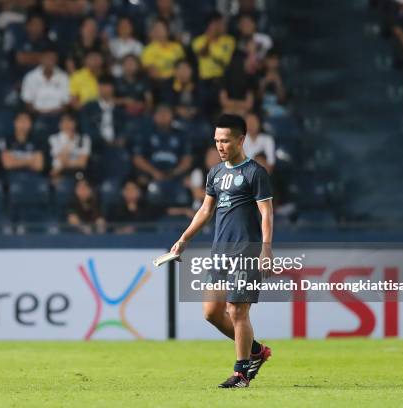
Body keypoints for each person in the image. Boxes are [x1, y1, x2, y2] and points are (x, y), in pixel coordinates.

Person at [170, 114, 273, 388]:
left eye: (225, 140)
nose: (220, 146)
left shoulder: (255, 173)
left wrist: (266, 249)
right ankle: (256, 352)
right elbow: (205, 210)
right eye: (217, 140)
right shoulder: (215, 173)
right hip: (220, 252)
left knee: (238, 311)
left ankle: (241, 373)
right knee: (211, 312)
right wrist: (184, 239)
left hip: (247, 250)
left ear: (241, 139)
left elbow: (266, 213)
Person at [132, 105, 192, 183]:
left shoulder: (181, 134)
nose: (163, 116)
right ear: (154, 116)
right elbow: (137, 158)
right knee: (141, 180)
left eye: (166, 113)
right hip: (150, 175)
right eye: (160, 113)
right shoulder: (146, 134)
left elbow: (187, 160)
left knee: (187, 181)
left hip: (175, 174)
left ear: (172, 116)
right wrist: (153, 172)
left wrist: (174, 173)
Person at [20, 47, 70, 115]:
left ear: (56, 60)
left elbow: (66, 102)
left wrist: (55, 113)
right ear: (41, 59)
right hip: (36, 115)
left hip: (58, 115)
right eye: (48, 58)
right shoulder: (30, 77)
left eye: (53, 59)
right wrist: (38, 114)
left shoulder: (64, 77)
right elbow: (27, 102)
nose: (50, 61)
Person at [80, 75, 125, 147]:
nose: (102, 89)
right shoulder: (89, 108)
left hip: (117, 146)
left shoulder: (120, 108)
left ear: (112, 88)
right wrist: (103, 141)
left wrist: (120, 139)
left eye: (106, 86)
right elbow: (86, 129)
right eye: (100, 86)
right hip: (96, 146)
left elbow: (125, 127)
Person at [192, 12, 236, 83]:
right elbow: (202, 53)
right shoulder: (198, 41)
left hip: (222, 79)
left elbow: (225, 63)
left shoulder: (229, 41)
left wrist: (211, 54)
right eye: (220, 23)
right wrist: (209, 39)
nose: (223, 26)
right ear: (210, 25)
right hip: (204, 81)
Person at [48, 112, 91, 182]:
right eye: (63, 121)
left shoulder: (84, 139)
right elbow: (63, 160)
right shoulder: (54, 139)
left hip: (78, 172)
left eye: (69, 121)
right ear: (59, 124)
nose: (66, 124)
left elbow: (82, 163)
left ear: (75, 123)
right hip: (60, 173)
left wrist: (65, 164)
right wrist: (69, 140)